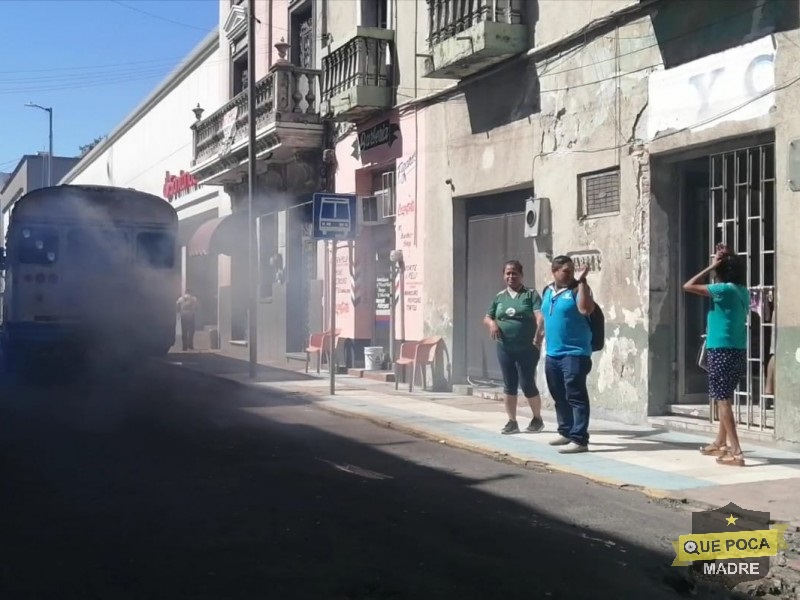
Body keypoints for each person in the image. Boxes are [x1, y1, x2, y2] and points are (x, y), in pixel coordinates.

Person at [683, 244, 749, 467]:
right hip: (737, 349)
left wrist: (712, 265)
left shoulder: (725, 290)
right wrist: (725, 259)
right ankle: (720, 442)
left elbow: (688, 286)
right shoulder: (742, 290)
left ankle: (737, 452)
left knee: (722, 401)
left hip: (721, 349)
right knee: (725, 397)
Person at [483, 260, 545, 435]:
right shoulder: (499, 297)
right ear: (504, 276)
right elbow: (487, 317)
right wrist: (492, 324)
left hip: (527, 347)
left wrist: (539, 330)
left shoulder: (530, 295)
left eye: (514, 273)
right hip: (505, 348)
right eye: (508, 273)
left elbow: (539, 315)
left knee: (526, 382)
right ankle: (512, 421)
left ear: (521, 275)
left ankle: (537, 419)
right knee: (509, 383)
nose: (511, 276)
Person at [540, 256, 595, 454]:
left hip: (575, 353)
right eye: (566, 271)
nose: (570, 273)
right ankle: (565, 431)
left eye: (572, 270)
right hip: (552, 353)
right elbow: (544, 315)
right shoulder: (548, 290)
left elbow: (585, 309)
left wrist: (582, 282)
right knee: (558, 394)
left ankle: (580, 439)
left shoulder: (578, 289)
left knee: (575, 395)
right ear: (554, 271)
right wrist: (538, 335)